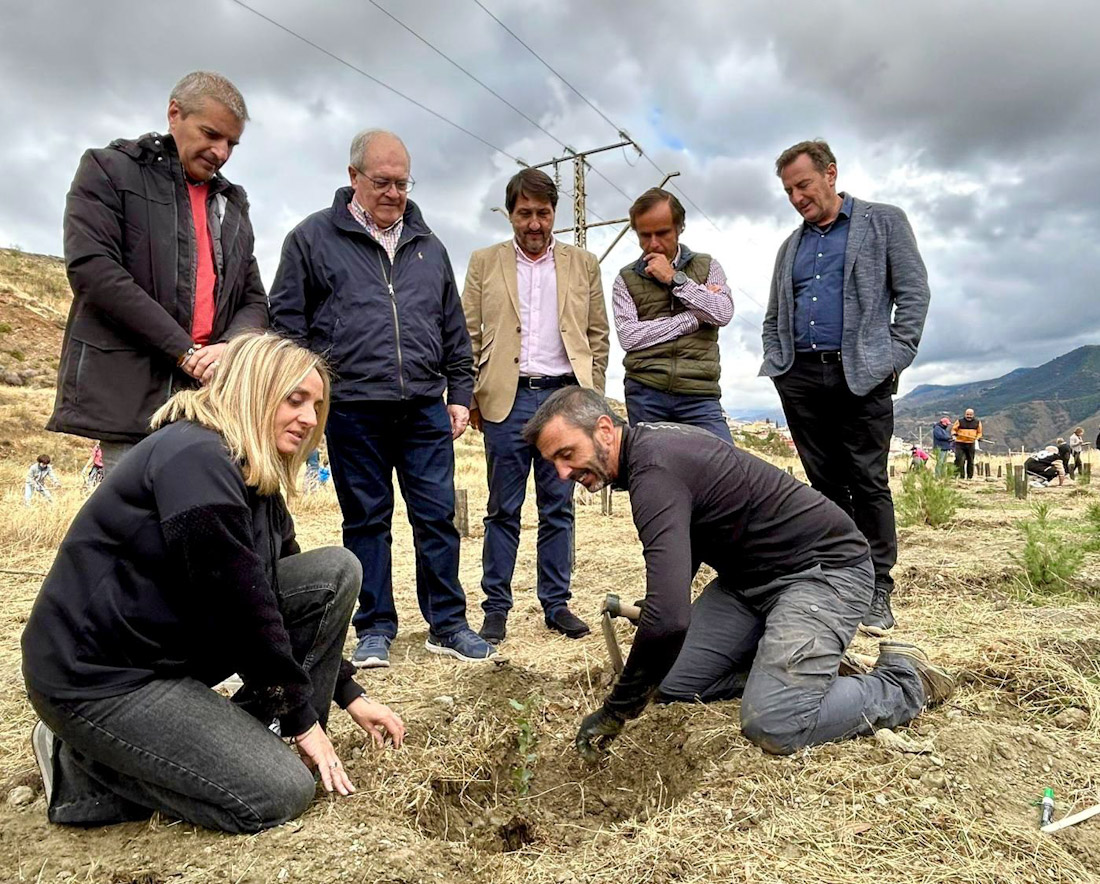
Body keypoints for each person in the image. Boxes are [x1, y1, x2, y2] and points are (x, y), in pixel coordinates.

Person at [22, 333, 405, 834]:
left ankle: (238, 743)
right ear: (255, 390)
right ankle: (82, 768)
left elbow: (281, 600)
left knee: (336, 570)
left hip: (164, 653)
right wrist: (301, 720)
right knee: (280, 792)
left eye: (316, 404)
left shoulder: (251, 468)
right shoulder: (195, 457)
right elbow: (239, 608)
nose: (311, 419)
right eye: (295, 400)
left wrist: (350, 693)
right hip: (97, 679)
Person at [521, 387, 954, 760]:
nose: (562, 473)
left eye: (566, 454)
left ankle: (904, 680)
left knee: (775, 723)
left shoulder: (654, 468)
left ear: (603, 430)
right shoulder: (647, 453)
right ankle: (792, 668)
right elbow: (679, 564)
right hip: (747, 585)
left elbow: (670, 620)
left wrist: (617, 710)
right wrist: (656, 618)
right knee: (669, 681)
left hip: (823, 573)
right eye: (553, 462)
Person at [269, 129, 494, 668]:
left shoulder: (430, 248)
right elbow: (286, 324)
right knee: (366, 520)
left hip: (423, 408)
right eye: (382, 182)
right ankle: (375, 628)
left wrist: (459, 393)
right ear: (353, 178)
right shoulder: (310, 239)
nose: (394, 193)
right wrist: (307, 397)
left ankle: (447, 623)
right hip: (350, 409)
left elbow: (453, 332)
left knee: (437, 516)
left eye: (402, 182)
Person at [47, 71, 268, 475]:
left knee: (205, 524)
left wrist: (231, 349)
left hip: (213, 400)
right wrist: (184, 352)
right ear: (174, 114)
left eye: (231, 143)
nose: (221, 152)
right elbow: (93, 270)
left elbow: (254, 298)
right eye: (211, 134)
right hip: (130, 400)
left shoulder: (233, 203)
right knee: (131, 528)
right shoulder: (110, 169)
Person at [760, 139, 930, 636]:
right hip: (802, 377)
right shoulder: (790, 246)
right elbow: (774, 316)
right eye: (789, 190)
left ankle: (878, 588)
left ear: (830, 174)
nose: (797, 197)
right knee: (826, 485)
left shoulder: (884, 222)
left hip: (861, 375)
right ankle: (841, 577)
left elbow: (913, 296)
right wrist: (780, 367)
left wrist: (891, 360)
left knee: (868, 480)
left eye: (804, 185)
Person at [462, 169, 610, 643]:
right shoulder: (484, 262)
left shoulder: (582, 264)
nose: (534, 223)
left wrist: (591, 394)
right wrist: (469, 394)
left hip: (564, 399)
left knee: (558, 507)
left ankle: (556, 603)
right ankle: (496, 609)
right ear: (510, 215)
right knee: (502, 509)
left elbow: (597, 336)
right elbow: (467, 333)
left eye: (543, 213)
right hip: (506, 400)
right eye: (524, 213)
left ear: (554, 214)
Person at [611, 188, 734, 442]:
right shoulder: (625, 279)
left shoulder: (708, 266)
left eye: (663, 233)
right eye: (645, 236)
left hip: (700, 393)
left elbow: (722, 312)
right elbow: (629, 337)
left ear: (680, 227)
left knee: (727, 470)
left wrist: (676, 280)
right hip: (646, 393)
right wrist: (694, 316)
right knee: (654, 474)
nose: (653, 244)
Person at [951, 408, 982, 479]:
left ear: (973, 415)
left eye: (970, 415)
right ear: (965, 414)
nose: (969, 416)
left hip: (971, 443)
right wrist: (954, 434)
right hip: (960, 443)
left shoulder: (977, 422)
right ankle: (960, 476)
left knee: (970, 460)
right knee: (959, 459)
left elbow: (979, 432)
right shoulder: (959, 421)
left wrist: (977, 437)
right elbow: (953, 430)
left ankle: (969, 477)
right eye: (967, 414)